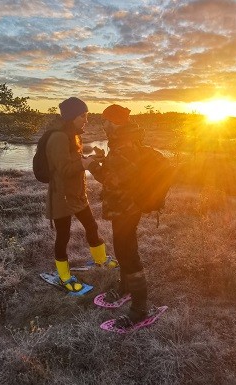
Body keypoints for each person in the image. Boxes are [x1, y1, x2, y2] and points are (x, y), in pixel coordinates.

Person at [87, 104, 160, 329]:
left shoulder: (124, 144)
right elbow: (123, 171)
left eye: (105, 120)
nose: (103, 124)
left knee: (128, 254)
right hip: (126, 207)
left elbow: (115, 180)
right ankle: (126, 288)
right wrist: (103, 160)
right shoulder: (124, 140)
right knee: (123, 249)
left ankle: (140, 310)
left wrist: (91, 165)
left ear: (115, 121)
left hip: (127, 207)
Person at [45, 97, 118, 294]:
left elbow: (74, 158)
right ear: (71, 117)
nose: (86, 120)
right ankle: (64, 277)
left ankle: (101, 260)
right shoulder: (58, 137)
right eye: (82, 116)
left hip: (76, 195)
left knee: (91, 226)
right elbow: (63, 169)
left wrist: (91, 156)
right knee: (63, 237)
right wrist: (87, 163)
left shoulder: (72, 135)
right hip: (62, 197)